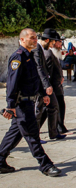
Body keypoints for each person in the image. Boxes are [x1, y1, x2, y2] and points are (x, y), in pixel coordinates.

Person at [0, 28, 61, 177]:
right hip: (21, 105)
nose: (34, 40)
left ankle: (0, 159)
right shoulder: (18, 57)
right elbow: (12, 83)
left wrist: (41, 94)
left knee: (15, 133)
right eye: (31, 38)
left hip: (29, 101)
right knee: (32, 135)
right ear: (22, 40)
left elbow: (34, 79)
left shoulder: (30, 56)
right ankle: (45, 165)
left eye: (35, 38)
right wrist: (11, 105)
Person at [33, 29, 66, 142]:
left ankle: (53, 132)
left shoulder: (43, 50)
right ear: (47, 40)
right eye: (52, 42)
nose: (53, 44)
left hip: (46, 85)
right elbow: (39, 68)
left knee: (54, 106)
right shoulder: (38, 49)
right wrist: (47, 84)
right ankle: (34, 136)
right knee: (38, 111)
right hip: (41, 86)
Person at [44, 33, 72, 135]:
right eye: (59, 42)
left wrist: (61, 76)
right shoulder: (49, 53)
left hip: (57, 85)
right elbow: (47, 71)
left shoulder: (55, 53)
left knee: (58, 106)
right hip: (52, 86)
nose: (60, 45)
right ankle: (57, 128)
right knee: (51, 108)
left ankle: (59, 127)